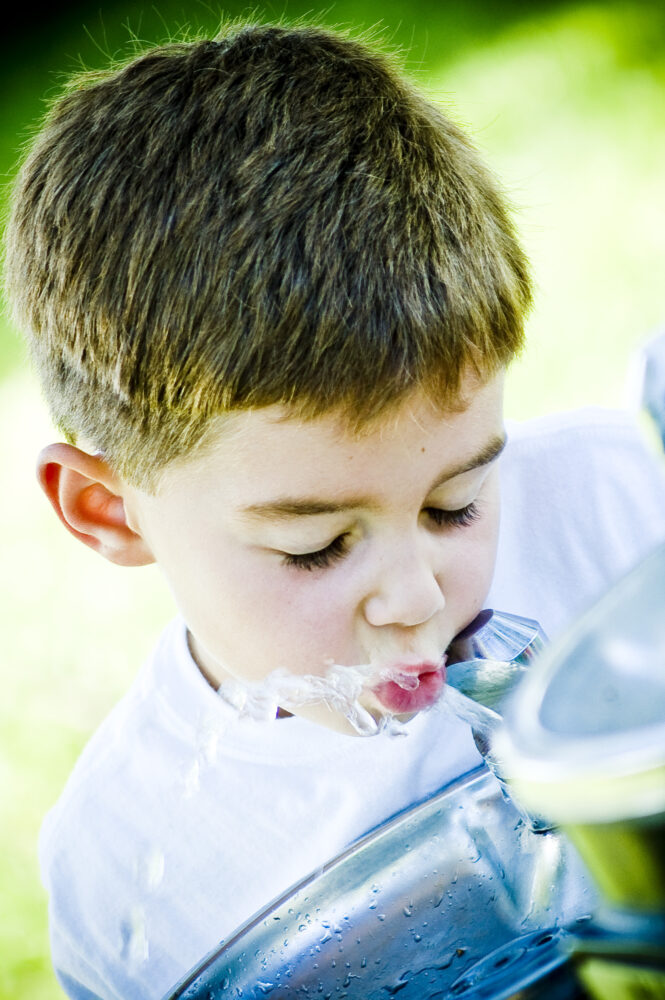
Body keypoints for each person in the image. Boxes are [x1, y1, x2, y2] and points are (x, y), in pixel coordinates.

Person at [5, 20, 665, 1000]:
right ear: (111, 511)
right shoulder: (141, 876)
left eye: (456, 503)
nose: (411, 599)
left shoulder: (620, 512)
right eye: (316, 547)